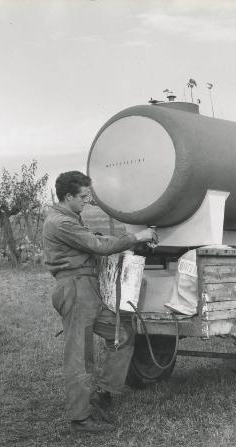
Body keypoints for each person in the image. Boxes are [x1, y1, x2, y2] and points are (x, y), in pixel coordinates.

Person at [42, 171, 157, 434]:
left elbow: (93, 240)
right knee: (81, 358)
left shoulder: (72, 218)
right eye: (83, 196)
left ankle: (104, 393)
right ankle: (80, 420)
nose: (87, 200)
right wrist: (138, 237)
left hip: (88, 289)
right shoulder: (61, 222)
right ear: (68, 196)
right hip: (74, 289)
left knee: (122, 334)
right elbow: (97, 245)